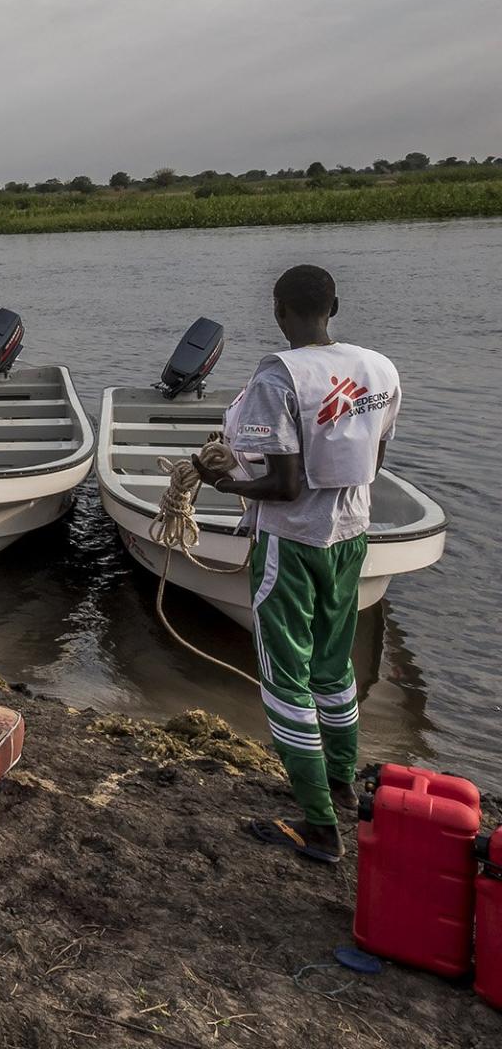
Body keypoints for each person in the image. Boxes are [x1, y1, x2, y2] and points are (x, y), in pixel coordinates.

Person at [198, 265, 400, 864]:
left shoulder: (278, 375)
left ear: (278, 311)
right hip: (350, 539)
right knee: (335, 671)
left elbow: (284, 486)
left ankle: (318, 826)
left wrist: (216, 477)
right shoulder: (379, 368)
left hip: (291, 544)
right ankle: (339, 782)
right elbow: (377, 455)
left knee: (286, 681)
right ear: (333, 305)